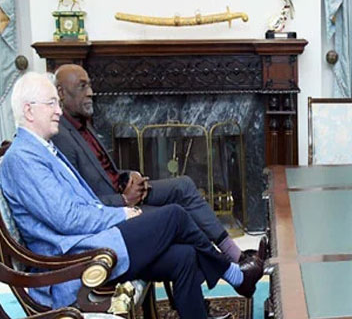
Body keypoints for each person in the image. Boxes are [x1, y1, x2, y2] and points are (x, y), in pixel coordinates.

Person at [0, 72, 264, 319]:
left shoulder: (41, 150)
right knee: (174, 215)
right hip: (74, 262)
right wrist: (121, 213)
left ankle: (229, 281)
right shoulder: (22, 158)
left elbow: (79, 206)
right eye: (51, 104)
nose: (59, 110)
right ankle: (234, 274)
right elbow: (66, 218)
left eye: (57, 103)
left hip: (91, 243)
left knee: (183, 257)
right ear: (28, 110)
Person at [51, 64, 261, 264]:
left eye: (89, 85)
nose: (90, 92)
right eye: (82, 86)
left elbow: (105, 171)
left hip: (123, 190)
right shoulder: (61, 136)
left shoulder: (83, 124)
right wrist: (124, 200)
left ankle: (234, 254)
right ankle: (227, 267)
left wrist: (130, 176)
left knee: (184, 185)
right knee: (177, 215)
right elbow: (81, 201)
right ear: (60, 92)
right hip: (113, 209)